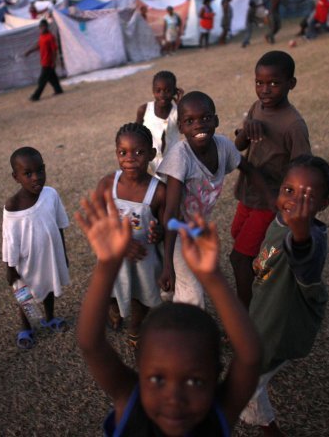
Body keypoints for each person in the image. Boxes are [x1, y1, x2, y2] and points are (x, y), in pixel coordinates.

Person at [75, 189, 261, 437]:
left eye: (195, 381)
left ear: (217, 375)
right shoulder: (132, 405)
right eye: (157, 380)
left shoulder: (217, 413)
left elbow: (251, 357)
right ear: (138, 369)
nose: (174, 399)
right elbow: (90, 344)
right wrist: (107, 265)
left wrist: (212, 277)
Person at [241, 155, 329, 435]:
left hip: (279, 323)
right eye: (288, 190)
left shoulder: (310, 240)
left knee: (248, 382)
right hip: (265, 307)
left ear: (322, 205)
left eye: (306, 197)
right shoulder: (280, 219)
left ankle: (269, 428)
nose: (293, 201)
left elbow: (303, 257)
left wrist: (301, 232)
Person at [157, 92, 255, 308]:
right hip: (175, 230)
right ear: (181, 127)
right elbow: (171, 214)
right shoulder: (180, 157)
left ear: (216, 120)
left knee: (198, 276)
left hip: (198, 229)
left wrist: (272, 198)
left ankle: (168, 295)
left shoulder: (223, 146)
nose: (199, 125)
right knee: (193, 295)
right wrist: (168, 265)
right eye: (190, 121)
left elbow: (249, 169)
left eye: (205, 118)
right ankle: (188, 336)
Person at [231, 51, 311, 310]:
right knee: (238, 237)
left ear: (291, 84)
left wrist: (289, 205)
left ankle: (247, 318)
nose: (265, 89)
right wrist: (246, 131)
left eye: (274, 83)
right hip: (247, 194)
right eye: (259, 82)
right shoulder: (257, 108)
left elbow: (303, 169)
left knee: (239, 258)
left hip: (269, 202)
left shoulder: (293, 125)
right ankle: (265, 287)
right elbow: (238, 145)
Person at [95, 123, 167, 346]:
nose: (130, 158)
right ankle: (112, 306)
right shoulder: (108, 184)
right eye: (123, 152)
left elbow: (165, 225)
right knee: (112, 286)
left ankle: (135, 327)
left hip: (143, 258)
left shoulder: (159, 191)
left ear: (152, 154)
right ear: (116, 153)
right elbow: (97, 221)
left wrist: (159, 233)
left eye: (139, 152)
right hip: (113, 254)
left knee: (141, 295)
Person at [2, 146, 70, 349]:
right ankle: (26, 328)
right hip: (25, 262)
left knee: (49, 287)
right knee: (25, 296)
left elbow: (59, 225)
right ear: (16, 177)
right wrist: (10, 268)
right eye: (28, 174)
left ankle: (49, 318)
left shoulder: (50, 195)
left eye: (40, 171)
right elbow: (9, 240)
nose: (36, 178)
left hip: (48, 257)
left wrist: (63, 254)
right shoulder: (13, 205)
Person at [136, 71, 183, 177]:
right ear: (153, 91)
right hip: (150, 163)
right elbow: (136, 134)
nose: (162, 95)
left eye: (167, 91)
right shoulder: (144, 110)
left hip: (173, 162)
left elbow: (183, 130)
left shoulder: (177, 111)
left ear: (175, 91)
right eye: (158, 90)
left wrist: (181, 105)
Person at [25, 19, 64, 101]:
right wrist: (29, 51)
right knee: (52, 77)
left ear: (46, 27)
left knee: (42, 80)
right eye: (41, 27)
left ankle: (35, 96)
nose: (42, 28)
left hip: (48, 62)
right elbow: (38, 45)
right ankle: (58, 90)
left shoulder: (50, 37)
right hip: (43, 60)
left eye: (43, 26)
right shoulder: (41, 36)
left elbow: (54, 50)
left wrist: (53, 62)